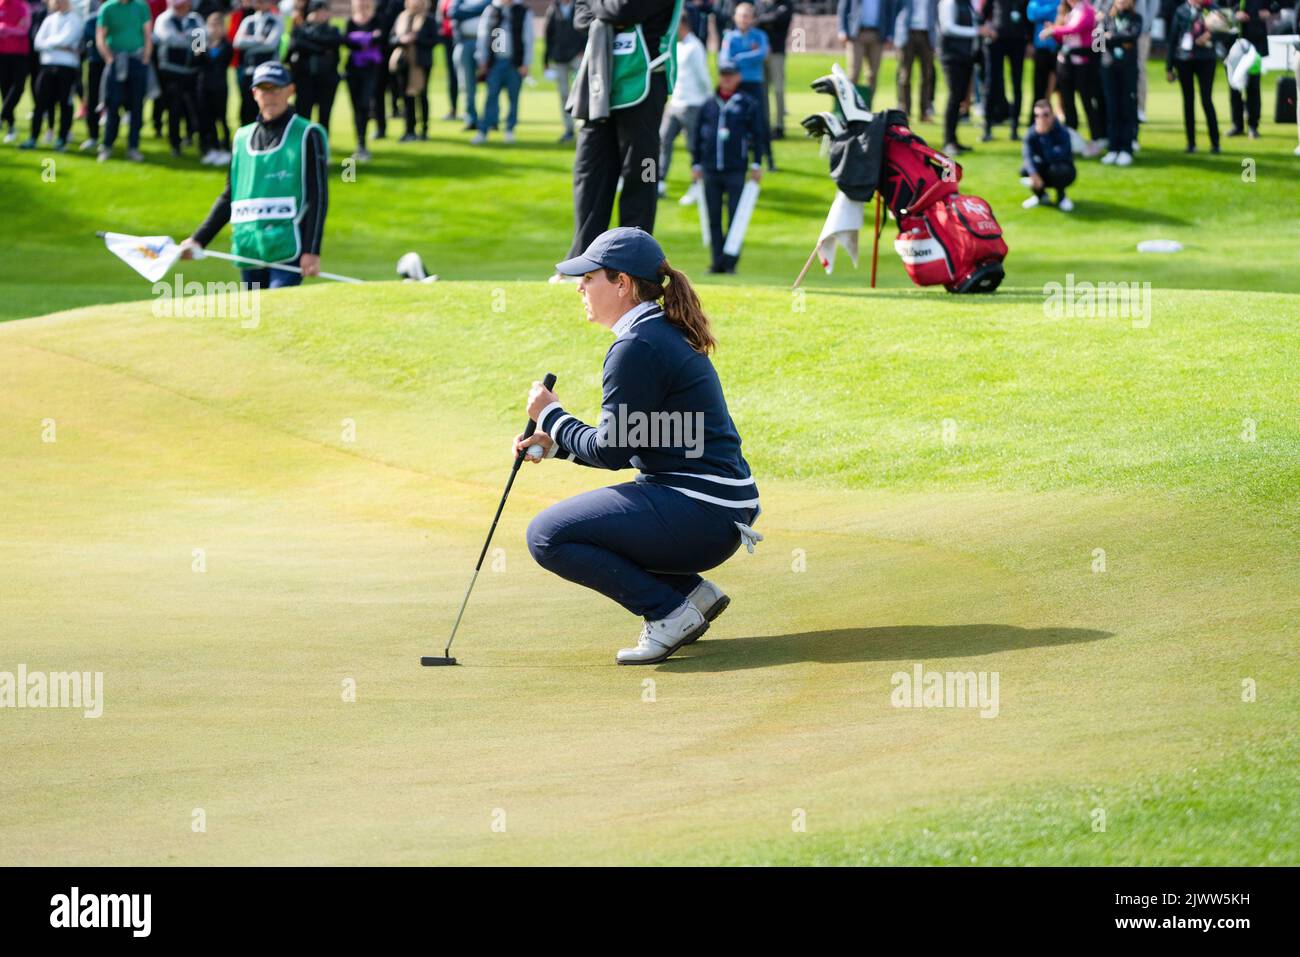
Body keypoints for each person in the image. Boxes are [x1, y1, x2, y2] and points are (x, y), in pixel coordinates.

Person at [523, 227, 761, 666]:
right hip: (719, 512)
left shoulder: (637, 346)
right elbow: (649, 440)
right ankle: (692, 593)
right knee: (597, 518)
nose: (580, 286)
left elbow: (612, 451)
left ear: (623, 284)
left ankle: (669, 612)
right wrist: (557, 444)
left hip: (701, 512)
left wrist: (551, 415)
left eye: (590, 277)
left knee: (546, 535)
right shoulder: (660, 333)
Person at [181, 61, 329, 288]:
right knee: (256, 316)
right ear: (254, 93)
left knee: (277, 311)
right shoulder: (241, 138)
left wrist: (312, 251)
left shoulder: (308, 134)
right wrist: (199, 239)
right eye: (263, 89)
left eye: (276, 89)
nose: (270, 96)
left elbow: (318, 196)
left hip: (288, 247)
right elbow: (230, 196)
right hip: (248, 245)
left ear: (290, 90)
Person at [560, 0, 680, 273]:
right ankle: (585, 263)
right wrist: (609, 15)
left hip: (644, 82)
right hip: (599, 84)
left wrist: (603, 11)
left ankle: (633, 266)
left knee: (641, 173)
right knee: (589, 173)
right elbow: (581, 18)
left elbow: (625, 9)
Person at [692, 61, 762, 273]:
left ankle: (730, 263)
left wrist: (756, 163)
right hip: (710, 169)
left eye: (731, 75)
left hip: (736, 169)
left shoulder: (747, 103)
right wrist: (695, 163)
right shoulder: (709, 103)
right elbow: (696, 135)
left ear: (738, 77)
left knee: (734, 216)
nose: (727, 79)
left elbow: (758, 135)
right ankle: (717, 261)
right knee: (713, 217)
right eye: (724, 75)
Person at [658, 14, 709, 197]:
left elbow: (703, 76)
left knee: (693, 147)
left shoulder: (695, 47)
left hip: (693, 104)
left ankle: (698, 184)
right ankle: (659, 181)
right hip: (675, 103)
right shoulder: (676, 46)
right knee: (663, 140)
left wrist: (708, 100)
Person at [1043, 0, 1103, 154]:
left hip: (1083, 63)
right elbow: (1063, 38)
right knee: (1068, 102)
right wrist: (1054, 30)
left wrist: (1055, 30)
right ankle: (1071, 139)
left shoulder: (1087, 10)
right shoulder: (1067, 11)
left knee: (1086, 100)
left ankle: (1097, 138)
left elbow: (1077, 28)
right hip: (1065, 63)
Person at [95, 0, 152, 161]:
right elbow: (100, 35)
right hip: (116, 59)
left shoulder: (141, 6)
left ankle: (133, 147)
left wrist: (146, 58)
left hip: (137, 61)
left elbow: (147, 34)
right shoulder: (108, 8)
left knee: (136, 106)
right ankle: (107, 145)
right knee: (113, 104)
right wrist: (108, 58)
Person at [18, 0, 79, 150]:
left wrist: (49, 44)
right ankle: (33, 137)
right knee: (40, 103)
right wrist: (59, 46)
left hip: (67, 67)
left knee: (65, 103)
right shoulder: (49, 19)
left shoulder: (75, 20)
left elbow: (68, 39)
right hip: (47, 66)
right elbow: (38, 42)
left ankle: (62, 139)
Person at [472, 0, 529, 144]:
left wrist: (525, 63)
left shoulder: (522, 11)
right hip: (495, 63)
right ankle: (483, 130)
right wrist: (482, 59)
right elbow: (483, 36)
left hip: (514, 63)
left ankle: (510, 129)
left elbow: (528, 39)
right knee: (491, 97)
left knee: (513, 98)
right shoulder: (491, 10)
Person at [1165, 0, 1219, 153]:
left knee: (1206, 100)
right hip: (1184, 59)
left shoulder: (1212, 8)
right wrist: (1169, 67)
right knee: (1188, 101)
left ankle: (1215, 143)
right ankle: (1191, 143)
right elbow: (1173, 38)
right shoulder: (1181, 10)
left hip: (1206, 59)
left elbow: (1225, 31)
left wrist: (1210, 36)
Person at [939, 0, 992, 154]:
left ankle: (954, 140)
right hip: (952, 57)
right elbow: (947, 28)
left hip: (965, 56)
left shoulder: (966, 3)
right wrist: (976, 31)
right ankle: (948, 141)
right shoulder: (949, 3)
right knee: (955, 97)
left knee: (960, 98)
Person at [153, 0, 204, 157]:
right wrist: (189, 38)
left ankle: (191, 136)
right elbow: (169, 39)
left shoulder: (195, 19)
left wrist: (186, 39)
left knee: (194, 108)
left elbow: (200, 45)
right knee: (174, 108)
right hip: (170, 71)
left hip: (191, 71)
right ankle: (175, 143)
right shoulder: (164, 19)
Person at [290, 0, 342, 133]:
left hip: (327, 80)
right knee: (302, 115)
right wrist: (321, 49)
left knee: (324, 116)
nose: (322, 15)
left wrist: (310, 44)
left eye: (325, 11)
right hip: (304, 79)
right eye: (319, 11)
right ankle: (302, 146)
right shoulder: (300, 29)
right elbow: (296, 44)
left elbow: (334, 41)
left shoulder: (333, 30)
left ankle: (321, 146)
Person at [980, 0, 1028, 141]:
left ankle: (1014, 128)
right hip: (996, 41)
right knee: (991, 83)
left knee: (1017, 84)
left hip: (1018, 41)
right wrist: (988, 29)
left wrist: (1029, 40)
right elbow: (983, 14)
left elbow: (1027, 17)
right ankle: (987, 127)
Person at [1099, 0, 1140, 164]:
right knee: (1112, 108)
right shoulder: (1106, 19)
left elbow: (1132, 36)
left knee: (1126, 108)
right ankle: (1113, 148)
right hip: (1109, 68)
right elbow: (1098, 44)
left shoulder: (1136, 18)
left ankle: (1126, 148)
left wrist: (1111, 36)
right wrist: (1120, 40)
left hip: (1128, 69)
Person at [391, 0, 436, 140]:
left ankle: (424, 129)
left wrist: (416, 39)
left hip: (421, 64)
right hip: (404, 63)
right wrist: (401, 39)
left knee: (421, 96)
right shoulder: (402, 17)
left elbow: (434, 40)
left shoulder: (428, 19)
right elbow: (391, 39)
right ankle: (409, 130)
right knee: (406, 97)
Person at [233, 0, 282, 126]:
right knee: (247, 105)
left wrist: (249, 44)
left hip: (268, 72)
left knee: (267, 104)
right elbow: (238, 42)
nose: (260, 4)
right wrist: (259, 40)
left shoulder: (276, 20)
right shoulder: (248, 21)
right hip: (248, 70)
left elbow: (271, 44)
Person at [344, 0, 383, 158]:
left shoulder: (376, 20)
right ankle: (359, 143)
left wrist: (358, 39)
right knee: (356, 107)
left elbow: (380, 39)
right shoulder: (350, 21)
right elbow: (347, 43)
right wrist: (368, 39)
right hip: (352, 70)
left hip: (370, 70)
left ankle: (363, 143)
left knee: (364, 104)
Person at [1021, 97, 1075, 209]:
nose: (1041, 119)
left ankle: (1062, 197)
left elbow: (1056, 157)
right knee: (1025, 170)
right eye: (1037, 115)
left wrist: (1044, 136)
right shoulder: (1031, 133)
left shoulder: (1063, 132)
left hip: (1063, 170)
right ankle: (1040, 196)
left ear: (1052, 114)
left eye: (1045, 115)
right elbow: (1027, 156)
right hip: (1043, 169)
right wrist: (1033, 174)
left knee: (1057, 170)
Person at [542, 0, 584, 143]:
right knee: (564, 94)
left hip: (577, 55)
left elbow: (585, 29)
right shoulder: (553, 9)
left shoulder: (579, 6)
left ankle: (585, 124)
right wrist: (546, 60)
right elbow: (548, 36)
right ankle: (569, 129)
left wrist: (583, 50)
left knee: (584, 90)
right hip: (559, 57)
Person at [837, 0, 896, 100]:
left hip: (877, 35)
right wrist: (842, 30)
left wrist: (890, 34)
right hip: (856, 34)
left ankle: (867, 107)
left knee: (872, 75)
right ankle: (849, 106)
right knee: (854, 73)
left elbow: (891, 11)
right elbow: (843, 7)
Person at [1226, 0, 1266, 139]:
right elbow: (1219, 7)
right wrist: (1234, 14)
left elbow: (1281, 4)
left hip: (1255, 43)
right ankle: (1237, 125)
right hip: (1232, 44)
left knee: (1253, 86)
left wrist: (1269, 11)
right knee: (1234, 86)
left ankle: (1253, 126)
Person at [196, 9, 231, 163]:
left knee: (221, 119)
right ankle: (208, 147)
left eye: (217, 25)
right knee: (205, 118)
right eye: (211, 25)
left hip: (220, 87)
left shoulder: (227, 45)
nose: (214, 29)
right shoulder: (201, 42)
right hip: (203, 86)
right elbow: (195, 60)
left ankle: (225, 148)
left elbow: (223, 62)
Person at [894, 0, 938, 121]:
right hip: (907, 33)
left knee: (927, 76)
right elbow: (894, 10)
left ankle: (925, 112)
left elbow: (936, 13)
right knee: (905, 75)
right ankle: (905, 111)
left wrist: (936, 39)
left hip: (927, 34)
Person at [754, 0, 790, 139]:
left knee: (778, 90)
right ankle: (765, 125)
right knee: (763, 90)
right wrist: (764, 21)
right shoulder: (761, 4)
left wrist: (762, 20)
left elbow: (778, 19)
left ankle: (779, 126)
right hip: (761, 53)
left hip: (777, 52)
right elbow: (758, 21)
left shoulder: (785, 4)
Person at [450, 0, 486, 131]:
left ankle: (491, 119)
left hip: (487, 43)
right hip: (465, 41)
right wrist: (480, 10)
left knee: (492, 82)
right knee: (466, 84)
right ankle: (471, 118)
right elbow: (453, 12)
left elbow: (491, 6)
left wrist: (465, 11)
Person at [0, 0, 32, 143]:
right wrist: (11, 29)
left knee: (18, 87)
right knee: (5, 89)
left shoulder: (23, 6)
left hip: (19, 54)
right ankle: (11, 125)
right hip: (2, 54)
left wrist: (7, 29)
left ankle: (3, 116)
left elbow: (24, 29)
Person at [79, 0, 105, 150]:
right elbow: (92, 38)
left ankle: (109, 138)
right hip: (95, 63)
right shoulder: (91, 20)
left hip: (117, 62)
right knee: (93, 98)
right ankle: (93, 136)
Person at [1026, 0, 1056, 106]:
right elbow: (1032, 14)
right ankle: (1036, 115)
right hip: (1041, 48)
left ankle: (1052, 113)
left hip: (1058, 47)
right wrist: (1053, 8)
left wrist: (1042, 13)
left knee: (1061, 85)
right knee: (1039, 84)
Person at [433, 0, 456, 119]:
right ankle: (453, 108)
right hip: (448, 39)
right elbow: (439, 17)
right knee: (451, 75)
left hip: (462, 38)